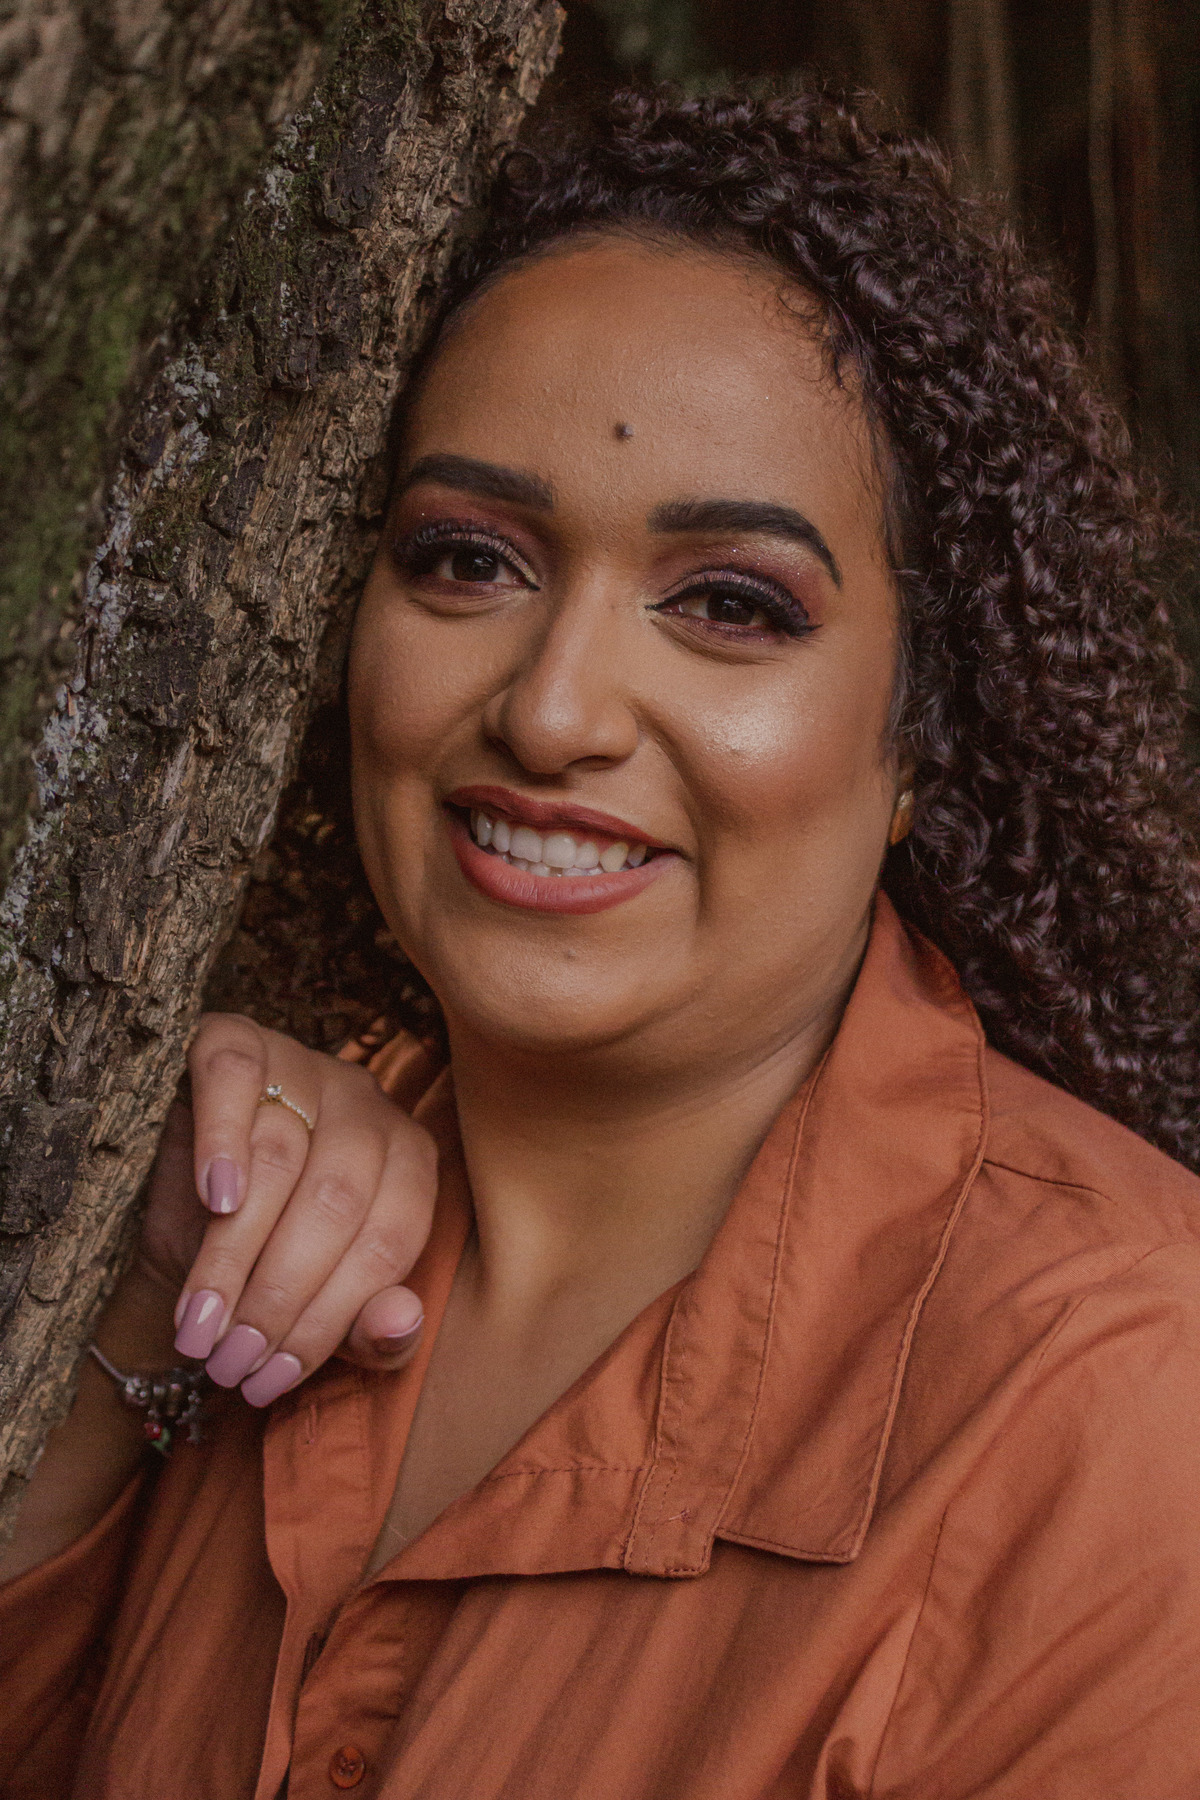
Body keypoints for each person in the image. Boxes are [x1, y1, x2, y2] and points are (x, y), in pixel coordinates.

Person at [2, 84, 1200, 1799]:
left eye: (730, 603)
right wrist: (126, 1277)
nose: (554, 709)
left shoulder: (1126, 1406)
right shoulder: (236, 1232)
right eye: (467, 559)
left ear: (925, 735)